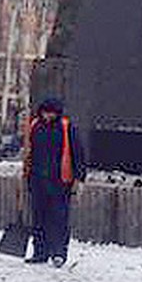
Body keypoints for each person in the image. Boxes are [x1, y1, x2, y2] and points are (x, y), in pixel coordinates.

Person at [23, 97, 86, 267]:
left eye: (51, 112)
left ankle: (59, 253)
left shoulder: (66, 127)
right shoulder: (35, 126)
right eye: (45, 112)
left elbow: (77, 153)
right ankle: (40, 252)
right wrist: (27, 174)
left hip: (60, 181)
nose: (48, 115)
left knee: (59, 218)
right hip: (38, 180)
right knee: (39, 218)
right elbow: (29, 152)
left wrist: (79, 178)